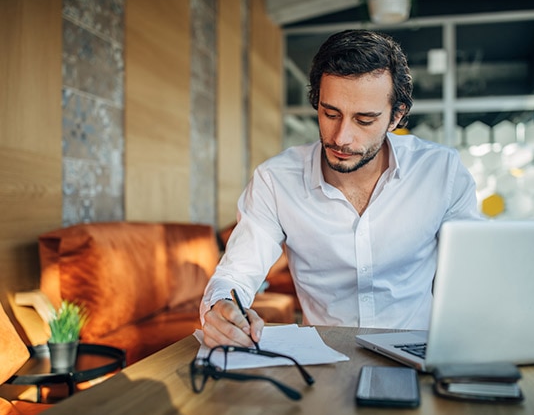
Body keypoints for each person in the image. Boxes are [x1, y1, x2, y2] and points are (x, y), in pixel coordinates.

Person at [200, 29, 481, 348]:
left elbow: (476, 271)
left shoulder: (440, 172)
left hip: (420, 353)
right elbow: (236, 273)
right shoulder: (275, 181)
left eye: (364, 120)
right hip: (323, 359)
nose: (341, 137)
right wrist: (221, 308)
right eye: (330, 113)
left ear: (396, 117)